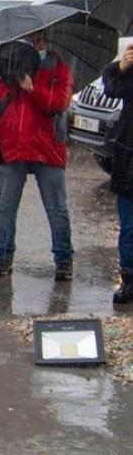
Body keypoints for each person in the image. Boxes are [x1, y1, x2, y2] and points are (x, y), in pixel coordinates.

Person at [0, 31, 73, 281]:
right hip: (12, 146)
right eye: (30, 40)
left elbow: (58, 104)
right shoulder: (6, 68)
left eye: (39, 39)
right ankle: (3, 256)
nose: (35, 44)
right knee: (5, 208)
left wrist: (33, 88)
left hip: (47, 149)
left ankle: (64, 259)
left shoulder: (60, 68)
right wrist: (10, 78)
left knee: (56, 209)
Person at [102, 42, 133, 304]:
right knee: (129, 227)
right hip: (130, 160)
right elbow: (112, 89)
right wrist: (121, 67)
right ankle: (129, 279)